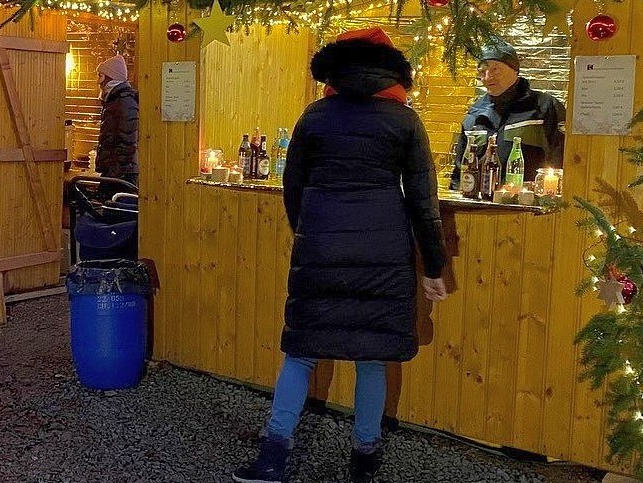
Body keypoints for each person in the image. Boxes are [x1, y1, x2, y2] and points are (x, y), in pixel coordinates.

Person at [233, 27, 449, 483]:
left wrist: (309, 233)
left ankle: (273, 456)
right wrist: (433, 266)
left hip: (322, 246)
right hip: (384, 250)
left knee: (301, 352)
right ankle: (364, 460)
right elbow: (423, 203)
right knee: (372, 357)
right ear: (392, 71)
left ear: (334, 69)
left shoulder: (315, 117)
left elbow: (293, 189)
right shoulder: (404, 121)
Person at [449, 37, 565, 190]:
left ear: (515, 69)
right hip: (478, 208)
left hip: (528, 208)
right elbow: (460, 173)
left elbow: (562, 159)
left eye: (495, 69)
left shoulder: (544, 108)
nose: (488, 77)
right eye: (482, 71)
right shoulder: (475, 116)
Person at [96, 54, 139, 189]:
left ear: (110, 77)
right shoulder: (115, 101)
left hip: (121, 173)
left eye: (100, 76)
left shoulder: (124, 102)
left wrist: (115, 174)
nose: (98, 82)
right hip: (116, 171)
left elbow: (126, 140)